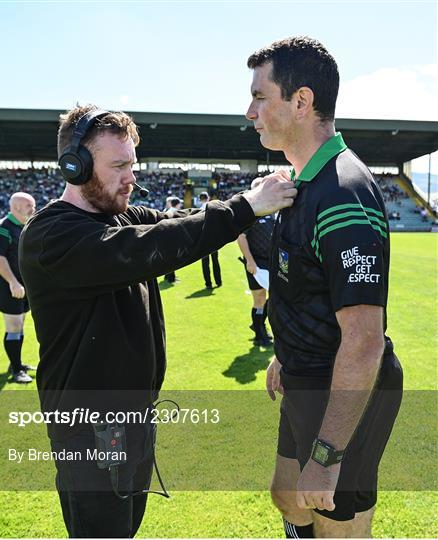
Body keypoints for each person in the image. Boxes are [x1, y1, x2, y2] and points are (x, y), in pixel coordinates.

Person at [18, 104, 298, 538]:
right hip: (89, 430)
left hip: (134, 421)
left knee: (124, 530)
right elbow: (154, 244)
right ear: (75, 167)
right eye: (119, 165)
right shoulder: (49, 235)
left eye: (133, 163)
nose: (132, 176)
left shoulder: (121, 213)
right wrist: (247, 207)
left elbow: (181, 224)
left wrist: (250, 193)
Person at [245, 37, 403, 538]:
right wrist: (285, 353)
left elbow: (364, 340)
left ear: (301, 101)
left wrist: (329, 455)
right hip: (306, 375)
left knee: (336, 526)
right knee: (287, 496)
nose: (250, 111)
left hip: (346, 390)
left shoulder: (343, 193)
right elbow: (308, 287)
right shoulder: (302, 182)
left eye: (260, 97)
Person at [0, 192, 36, 383]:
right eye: (29, 206)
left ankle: (16, 362)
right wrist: (13, 282)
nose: (33, 209)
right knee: (14, 326)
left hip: (22, 286)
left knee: (20, 324)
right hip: (8, 286)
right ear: (16, 208)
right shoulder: (2, 228)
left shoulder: (22, 226)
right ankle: (17, 371)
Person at [237, 213, 276, 346]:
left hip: (273, 262)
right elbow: (241, 237)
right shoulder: (253, 214)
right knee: (259, 298)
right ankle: (259, 335)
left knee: (277, 296)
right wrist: (250, 261)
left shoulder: (274, 214)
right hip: (256, 262)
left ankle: (257, 324)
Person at [199, 192, 222, 289]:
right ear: (208, 198)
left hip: (204, 239)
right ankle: (218, 281)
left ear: (200, 199)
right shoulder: (213, 208)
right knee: (215, 261)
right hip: (214, 238)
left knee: (205, 263)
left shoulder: (200, 210)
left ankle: (208, 284)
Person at [164, 197, 183, 283]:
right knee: (172, 259)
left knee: (169, 258)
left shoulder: (169, 211)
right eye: (180, 204)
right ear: (178, 204)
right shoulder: (174, 212)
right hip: (172, 237)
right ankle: (171, 278)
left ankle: (169, 276)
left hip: (168, 238)